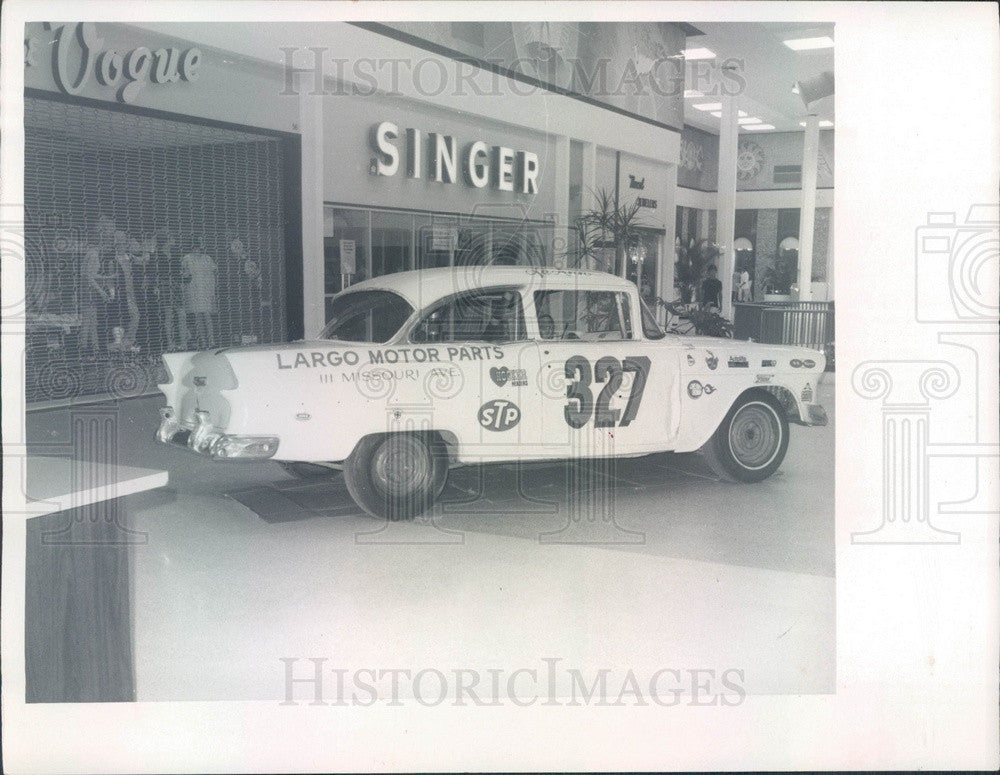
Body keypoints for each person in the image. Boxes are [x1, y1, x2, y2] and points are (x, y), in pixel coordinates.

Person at [79, 215, 115, 359]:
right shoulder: (94, 254)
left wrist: (106, 278)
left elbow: (90, 274)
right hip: (89, 293)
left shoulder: (92, 253)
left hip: (88, 292)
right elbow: (89, 277)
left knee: (92, 323)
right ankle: (84, 351)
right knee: (88, 323)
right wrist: (102, 292)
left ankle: (95, 350)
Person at [152, 233, 188, 351]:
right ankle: (170, 343)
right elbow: (155, 272)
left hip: (176, 285)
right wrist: (156, 286)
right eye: (172, 238)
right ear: (166, 240)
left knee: (181, 314)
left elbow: (180, 272)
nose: (174, 240)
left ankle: (183, 343)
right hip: (165, 285)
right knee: (169, 315)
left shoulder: (175, 254)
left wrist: (183, 280)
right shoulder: (157, 255)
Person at [181, 236, 217, 348]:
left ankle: (211, 341)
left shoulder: (207, 258)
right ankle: (203, 342)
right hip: (193, 291)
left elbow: (212, 274)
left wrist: (212, 292)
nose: (202, 244)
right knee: (198, 316)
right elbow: (184, 274)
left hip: (205, 290)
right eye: (200, 242)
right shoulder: (187, 258)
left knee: (207, 315)